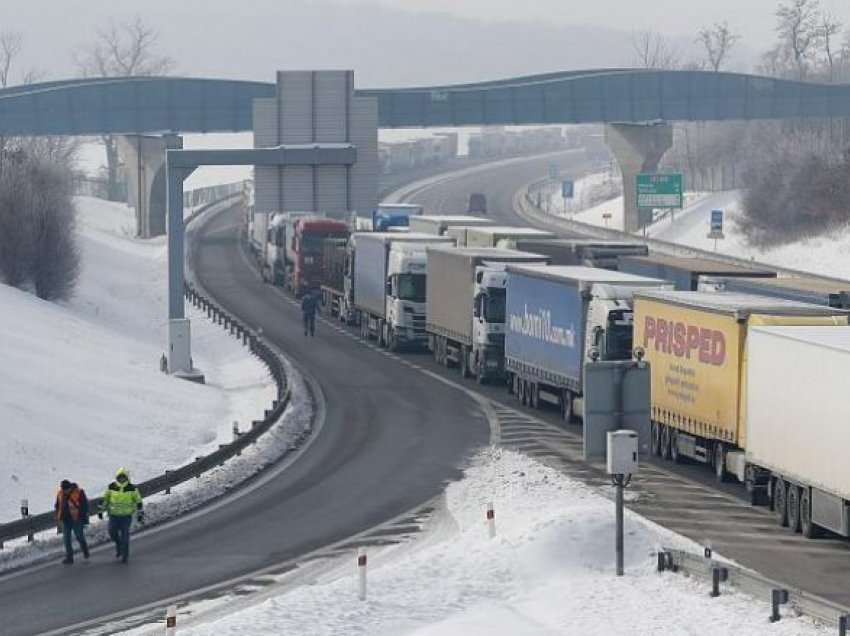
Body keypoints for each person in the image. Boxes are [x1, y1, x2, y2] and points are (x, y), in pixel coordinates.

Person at [100, 468, 143, 563]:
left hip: (126, 517)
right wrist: (100, 510)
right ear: (117, 478)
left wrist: (140, 513)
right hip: (113, 516)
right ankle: (118, 545)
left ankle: (125, 555)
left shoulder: (132, 488)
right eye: (120, 477)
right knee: (112, 533)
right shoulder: (111, 487)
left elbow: (138, 501)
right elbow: (105, 499)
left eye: (124, 477)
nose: (122, 479)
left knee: (125, 536)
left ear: (127, 478)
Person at [54, 480, 90, 564]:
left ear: (70, 487)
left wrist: (81, 515)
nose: (65, 491)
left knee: (79, 536)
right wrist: (57, 515)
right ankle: (69, 557)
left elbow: (85, 505)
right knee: (66, 539)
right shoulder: (60, 493)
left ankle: (85, 550)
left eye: (66, 489)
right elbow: (57, 505)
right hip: (66, 520)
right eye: (63, 490)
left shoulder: (79, 492)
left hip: (76, 519)